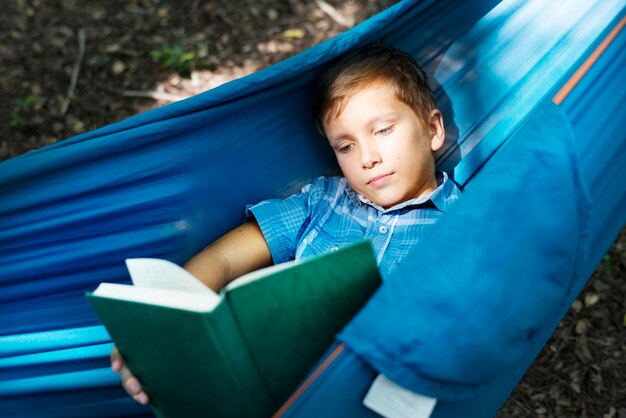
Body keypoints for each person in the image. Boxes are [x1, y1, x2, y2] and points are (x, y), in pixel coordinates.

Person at [111, 44, 461, 406]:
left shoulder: (466, 221)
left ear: (433, 129)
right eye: (345, 147)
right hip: (275, 382)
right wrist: (160, 325)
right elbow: (225, 260)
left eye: (383, 130)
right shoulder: (323, 201)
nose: (368, 159)